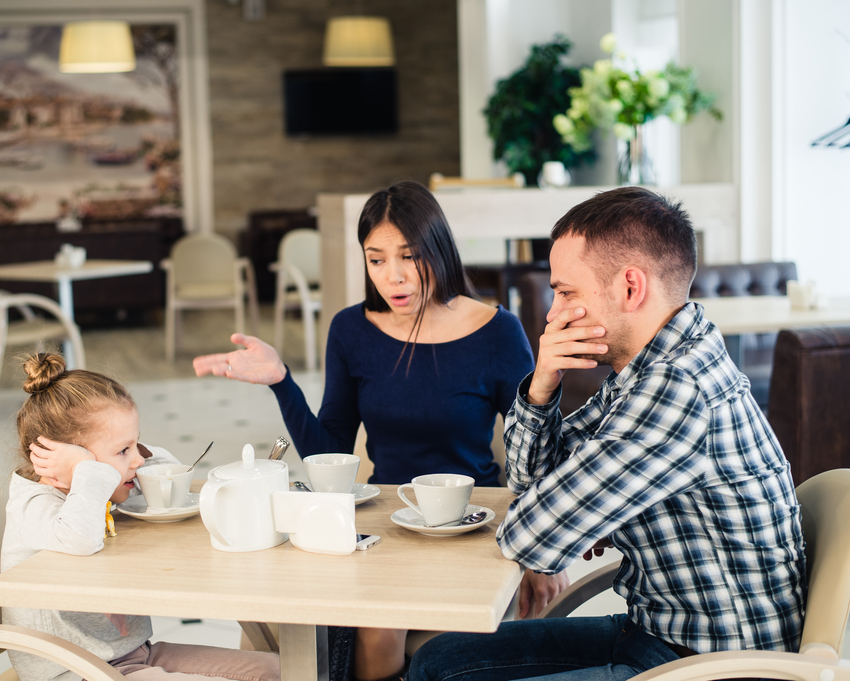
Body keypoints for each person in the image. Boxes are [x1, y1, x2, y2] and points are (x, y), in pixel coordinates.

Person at [408, 186, 807, 681]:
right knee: (437, 661)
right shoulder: (648, 370)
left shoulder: (678, 388)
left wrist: (578, 514)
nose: (554, 315)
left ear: (630, 288)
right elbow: (532, 482)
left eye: (566, 292)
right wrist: (542, 386)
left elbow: (530, 536)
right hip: (660, 634)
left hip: (714, 667)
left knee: (443, 675)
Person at [193, 180, 568, 679]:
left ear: (439, 250)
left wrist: (548, 547)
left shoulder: (497, 331)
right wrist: (282, 382)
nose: (394, 277)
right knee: (274, 613)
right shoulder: (352, 331)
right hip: (385, 528)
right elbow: (331, 453)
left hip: (471, 527)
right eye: (376, 259)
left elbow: (537, 447)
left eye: (409, 257)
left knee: (378, 624)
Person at [3, 352, 280, 681]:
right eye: (123, 450)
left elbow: (166, 475)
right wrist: (88, 472)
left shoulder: (98, 490)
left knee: (278, 671)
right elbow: (79, 537)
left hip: (130, 655)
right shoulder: (35, 504)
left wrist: (121, 456)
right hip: (74, 671)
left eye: (136, 445)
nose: (137, 460)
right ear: (66, 461)